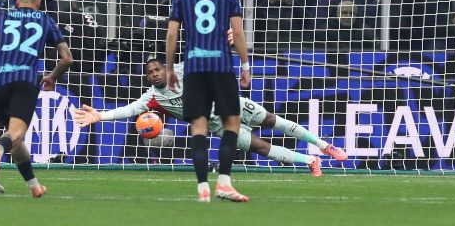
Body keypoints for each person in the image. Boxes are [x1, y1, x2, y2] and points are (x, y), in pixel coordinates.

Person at [74, 59, 347, 174]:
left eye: (158, 69)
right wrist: (100, 116)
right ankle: (311, 161)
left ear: (165, 68)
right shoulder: (152, 98)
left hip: (232, 103)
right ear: (147, 78)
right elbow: (130, 110)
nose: (155, 74)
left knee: (274, 122)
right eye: (150, 73)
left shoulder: (182, 69)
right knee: (260, 147)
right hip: (219, 125)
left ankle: (325, 146)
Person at [0, 0, 73, 198]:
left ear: (17, 0)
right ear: (39, 2)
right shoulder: (45, 20)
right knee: (15, 134)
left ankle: (34, 186)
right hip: (25, 81)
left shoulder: (0, 16)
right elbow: (67, 58)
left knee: (14, 137)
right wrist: (53, 76)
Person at [165, 0, 250, 202]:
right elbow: (238, 33)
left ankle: (202, 186)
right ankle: (224, 183)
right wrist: (245, 65)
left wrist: (169, 68)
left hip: (194, 68)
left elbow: (171, 34)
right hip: (221, 66)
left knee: (198, 127)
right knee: (232, 123)